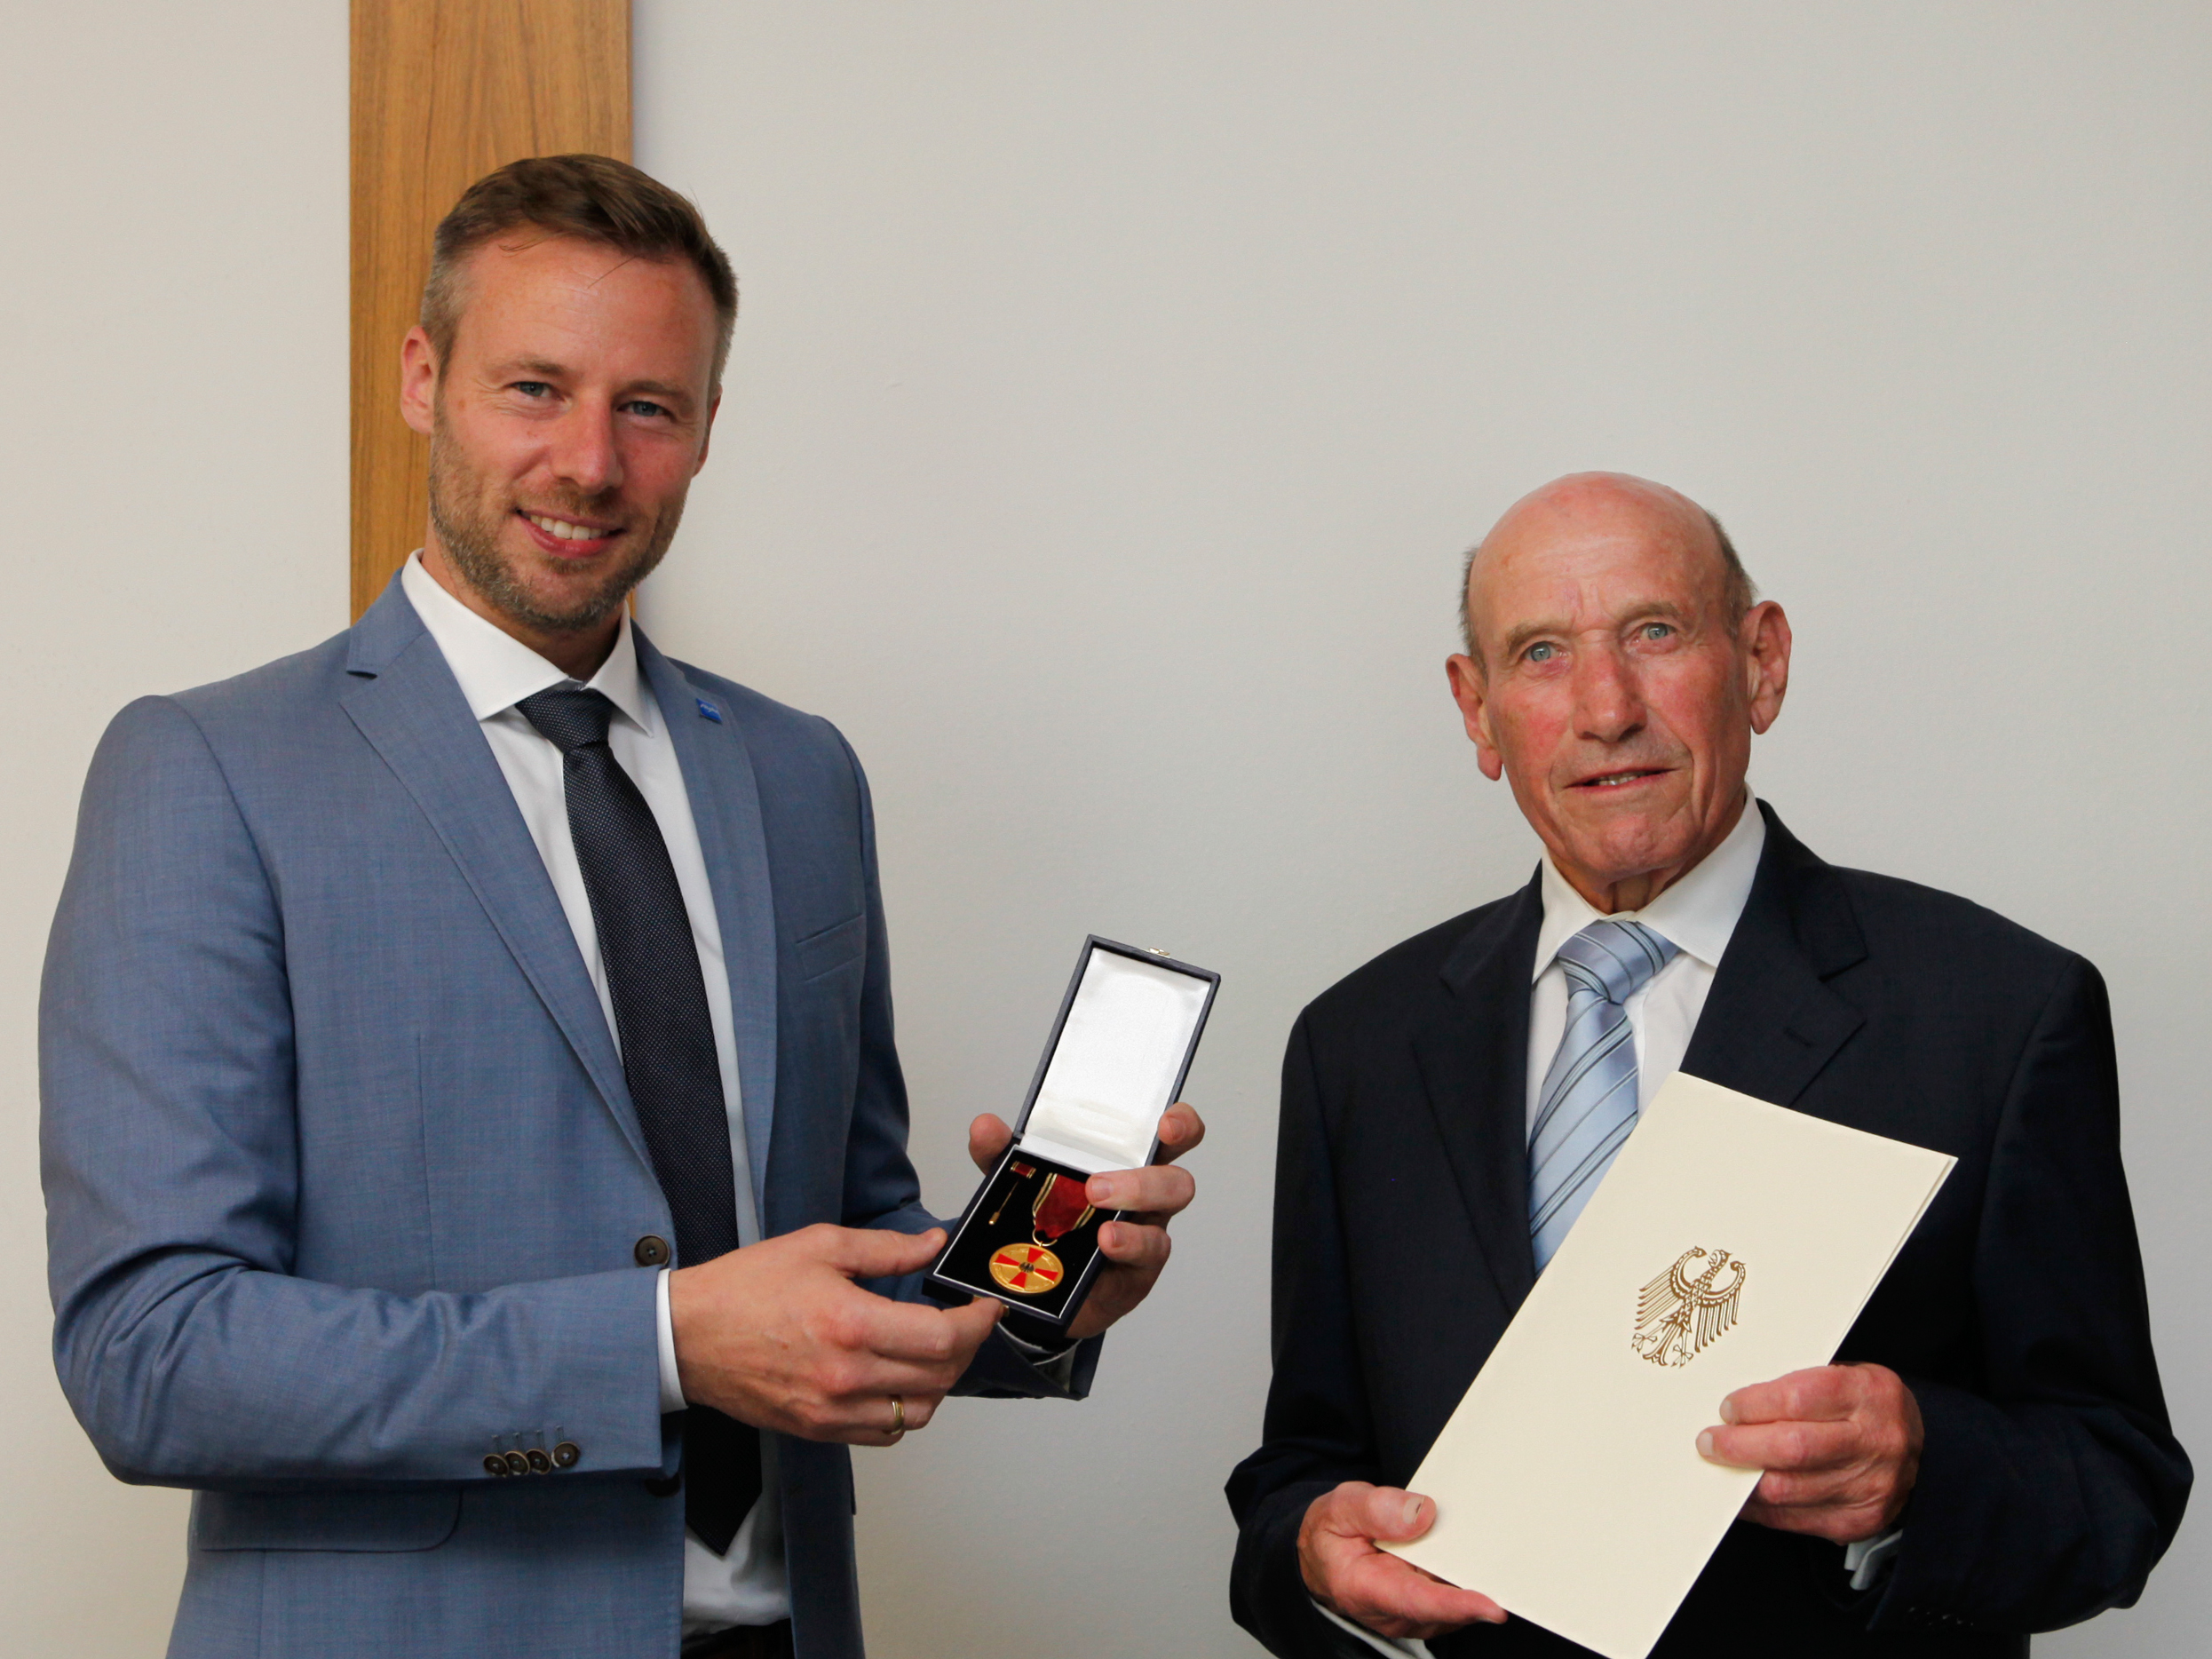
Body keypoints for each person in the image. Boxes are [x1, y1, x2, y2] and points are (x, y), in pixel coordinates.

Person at [42, 155, 1201, 1659]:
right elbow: (153, 1355)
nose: (590, 463)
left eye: (647, 407)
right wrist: (660, 1346)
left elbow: (837, 1238)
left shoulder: (798, 776)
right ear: (422, 378)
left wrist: (1037, 1289)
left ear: (707, 429)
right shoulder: (207, 772)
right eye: (535, 388)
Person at [1225, 472, 2187, 1656]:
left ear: (1763, 661)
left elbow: (2116, 1485)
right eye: (1539, 654)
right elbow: (1301, 1474)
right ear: (1475, 712)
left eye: (1654, 632)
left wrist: (1924, 1468)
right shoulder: (1357, 1047)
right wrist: (1311, 1552)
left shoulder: (1994, 1012)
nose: (1605, 706)